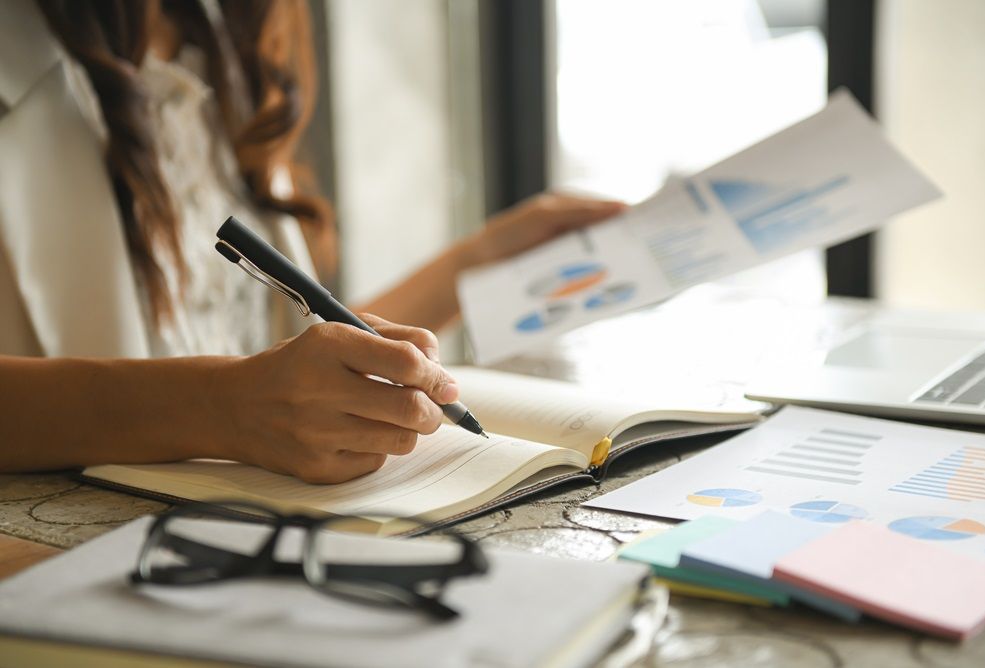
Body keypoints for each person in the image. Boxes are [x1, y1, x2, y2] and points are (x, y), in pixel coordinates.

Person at [0, 0, 625, 483]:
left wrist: (482, 260)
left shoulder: (218, 44)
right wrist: (216, 409)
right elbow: (242, 395)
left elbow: (281, 373)